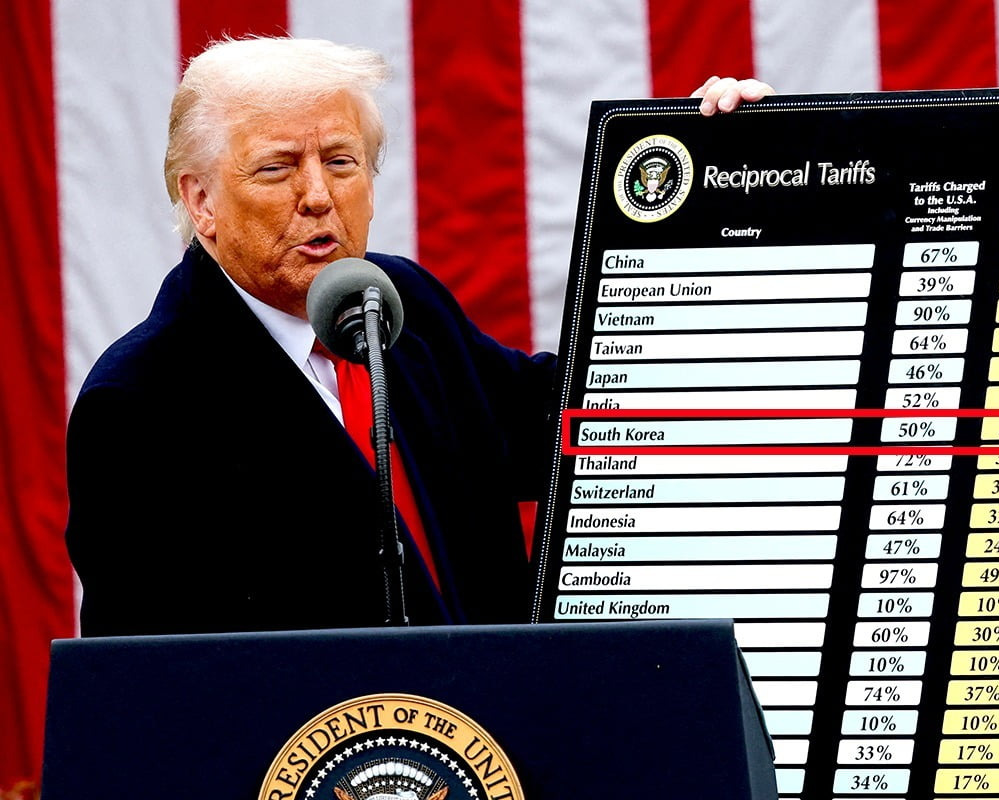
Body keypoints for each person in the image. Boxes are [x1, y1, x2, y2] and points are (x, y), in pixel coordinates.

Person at [64, 37, 774, 636]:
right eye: (277, 168)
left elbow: (583, 425)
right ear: (201, 202)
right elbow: (151, 693)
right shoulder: (139, 402)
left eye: (340, 161)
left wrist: (715, 192)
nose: (318, 196)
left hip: (498, 738)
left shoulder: (401, 303)